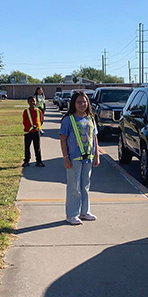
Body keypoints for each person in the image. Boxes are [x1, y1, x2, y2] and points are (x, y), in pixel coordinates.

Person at [59, 91, 100, 225]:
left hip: (88, 157)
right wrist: (66, 157)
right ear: (73, 104)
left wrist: (97, 154)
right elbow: (63, 139)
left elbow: (94, 137)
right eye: (79, 102)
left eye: (84, 101)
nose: (82, 104)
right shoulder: (68, 119)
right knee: (74, 187)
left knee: (85, 186)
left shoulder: (90, 118)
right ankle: (72, 214)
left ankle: (84, 211)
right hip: (74, 158)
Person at [22, 96, 45, 167]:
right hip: (28, 132)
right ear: (28, 102)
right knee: (27, 147)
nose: (32, 103)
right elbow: (24, 121)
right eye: (31, 101)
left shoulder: (39, 111)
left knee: (37, 147)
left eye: (34, 101)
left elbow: (41, 120)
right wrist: (28, 127)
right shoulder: (26, 111)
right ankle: (26, 161)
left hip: (36, 131)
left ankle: (38, 161)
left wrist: (38, 127)